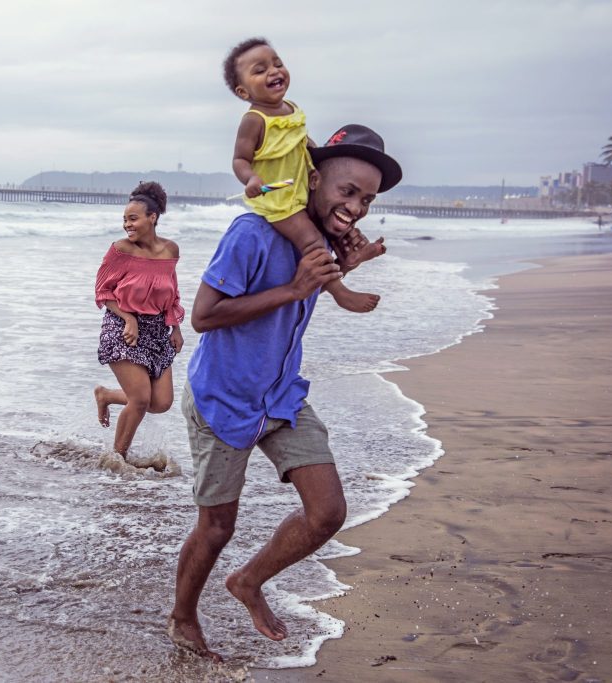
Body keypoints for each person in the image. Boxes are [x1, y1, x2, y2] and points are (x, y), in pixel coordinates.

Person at [168, 125, 403, 661]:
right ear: (313, 178)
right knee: (217, 526)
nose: (358, 207)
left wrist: (350, 265)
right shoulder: (251, 233)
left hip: (281, 396)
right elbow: (203, 316)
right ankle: (183, 616)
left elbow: (322, 274)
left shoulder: (320, 240)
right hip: (223, 398)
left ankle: (248, 582)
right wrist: (294, 290)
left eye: (367, 199)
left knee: (327, 514)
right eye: (348, 192)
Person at [223, 37, 387, 314]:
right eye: (260, 70)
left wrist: (348, 262)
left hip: (295, 189)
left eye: (277, 64)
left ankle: (344, 267)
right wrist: (250, 179)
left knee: (320, 235)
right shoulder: (254, 120)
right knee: (311, 240)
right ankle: (341, 293)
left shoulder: (292, 108)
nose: (274, 72)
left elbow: (301, 141)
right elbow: (240, 158)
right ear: (243, 91)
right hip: (278, 197)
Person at [94, 181, 185, 462]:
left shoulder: (170, 250)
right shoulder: (120, 250)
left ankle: (106, 395)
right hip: (122, 327)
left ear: (152, 218)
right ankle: (117, 460)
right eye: (124, 220)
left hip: (157, 329)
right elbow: (102, 291)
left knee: (161, 403)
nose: (127, 225)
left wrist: (176, 326)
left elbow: (172, 291)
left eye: (133, 219)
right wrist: (128, 317)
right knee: (141, 399)